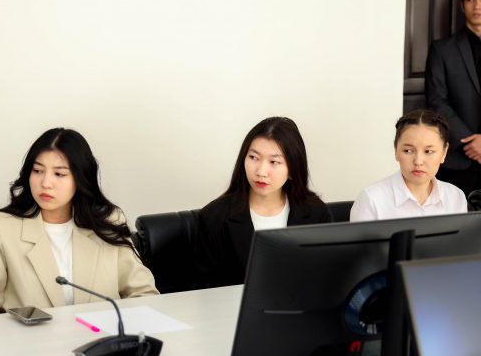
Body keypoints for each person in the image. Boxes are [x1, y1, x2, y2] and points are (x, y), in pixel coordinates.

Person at [0, 128, 158, 318]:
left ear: (80, 178)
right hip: (28, 343)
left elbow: (144, 295)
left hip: (101, 341)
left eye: (59, 174)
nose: (45, 183)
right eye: (38, 171)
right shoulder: (0, 228)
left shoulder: (108, 221)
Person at [196, 117, 331, 288]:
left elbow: (324, 280)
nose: (261, 171)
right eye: (254, 157)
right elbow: (206, 294)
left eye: (274, 162)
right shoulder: (214, 218)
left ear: (293, 169)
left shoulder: (316, 213)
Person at [350, 109, 467, 222]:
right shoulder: (371, 199)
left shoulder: (455, 197)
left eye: (428, 151)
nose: (418, 161)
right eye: (408, 151)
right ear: (396, 150)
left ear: (444, 153)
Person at [425, 0, 481, 197]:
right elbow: (436, 101)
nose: (477, 5)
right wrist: (470, 142)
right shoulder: (442, 50)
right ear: (462, 5)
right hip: (458, 158)